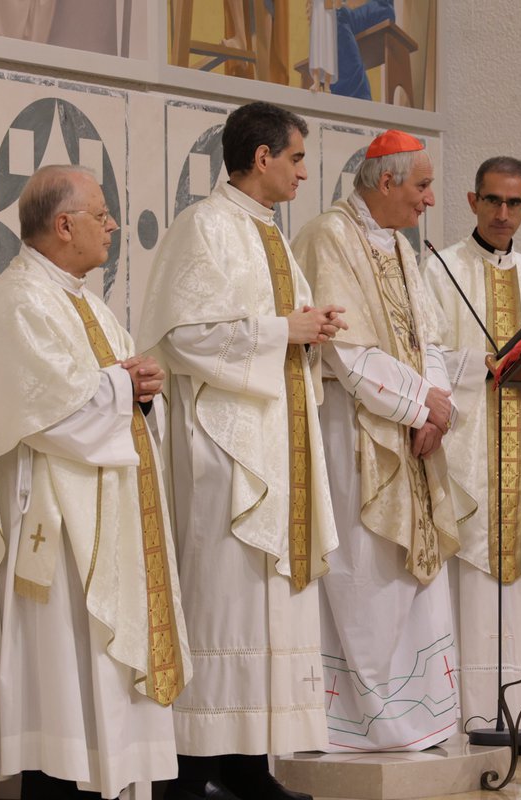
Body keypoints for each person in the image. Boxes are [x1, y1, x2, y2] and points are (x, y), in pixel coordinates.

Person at [0, 164, 190, 799]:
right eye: (102, 214)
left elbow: (105, 396)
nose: (112, 226)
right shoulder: (19, 301)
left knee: (96, 687)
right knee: (63, 696)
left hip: (106, 516)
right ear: (63, 225)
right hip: (56, 532)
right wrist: (123, 385)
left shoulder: (82, 302)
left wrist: (142, 395)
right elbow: (49, 409)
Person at [136, 101, 345, 800]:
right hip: (225, 450)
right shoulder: (204, 229)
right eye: (295, 158)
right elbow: (185, 336)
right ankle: (195, 769)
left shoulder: (273, 236)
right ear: (261, 158)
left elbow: (279, 325)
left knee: (267, 603)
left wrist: (312, 329)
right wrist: (282, 330)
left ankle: (252, 764)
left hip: (278, 441)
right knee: (222, 601)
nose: (303, 172)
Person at [292, 129, 474, 752]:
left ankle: (417, 718)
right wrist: (420, 402)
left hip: (411, 435)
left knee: (409, 580)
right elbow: (345, 352)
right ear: (388, 182)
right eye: (422, 186)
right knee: (364, 572)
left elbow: (431, 339)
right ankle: (356, 725)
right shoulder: (327, 237)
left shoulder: (399, 246)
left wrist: (437, 410)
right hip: (354, 436)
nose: (429, 201)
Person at [420, 157, 521, 731]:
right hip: (469, 454)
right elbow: (421, 350)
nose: (502, 214)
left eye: (514, 204)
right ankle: (473, 712)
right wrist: (477, 363)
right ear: (471, 200)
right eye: (492, 201)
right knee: (473, 576)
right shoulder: (439, 270)